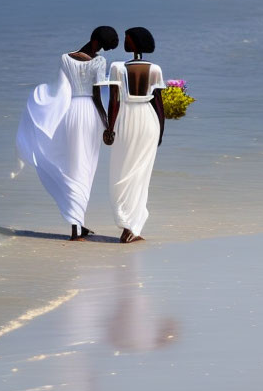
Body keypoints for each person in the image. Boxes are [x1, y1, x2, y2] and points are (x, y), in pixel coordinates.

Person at [17, 26, 118, 240]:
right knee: (86, 168)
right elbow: (98, 95)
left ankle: (77, 224)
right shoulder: (99, 62)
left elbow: (59, 89)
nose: (101, 51)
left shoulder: (65, 58)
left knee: (73, 166)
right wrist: (108, 124)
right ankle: (76, 227)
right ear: (95, 42)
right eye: (102, 46)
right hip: (90, 112)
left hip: (70, 111)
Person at [105, 27, 165, 243]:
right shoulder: (155, 69)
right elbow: (158, 104)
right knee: (140, 174)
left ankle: (129, 226)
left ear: (136, 42)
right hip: (149, 121)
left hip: (127, 119)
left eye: (128, 38)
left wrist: (110, 128)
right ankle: (133, 227)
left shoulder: (116, 67)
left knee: (121, 172)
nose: (124, 41)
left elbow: (114, 101)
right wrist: (161, 130)